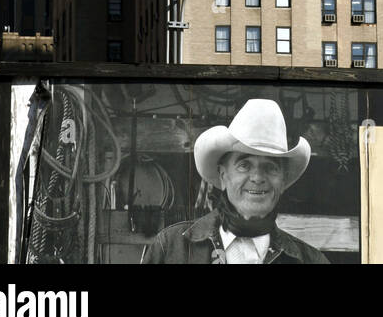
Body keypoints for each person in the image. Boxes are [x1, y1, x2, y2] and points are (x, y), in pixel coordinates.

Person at [141, 98, 329, 264]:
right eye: (244, 165)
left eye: (270, 167)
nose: (257, 178)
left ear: (283, 181)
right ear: (223, 175)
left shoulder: (310, 261)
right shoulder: (171, 249)